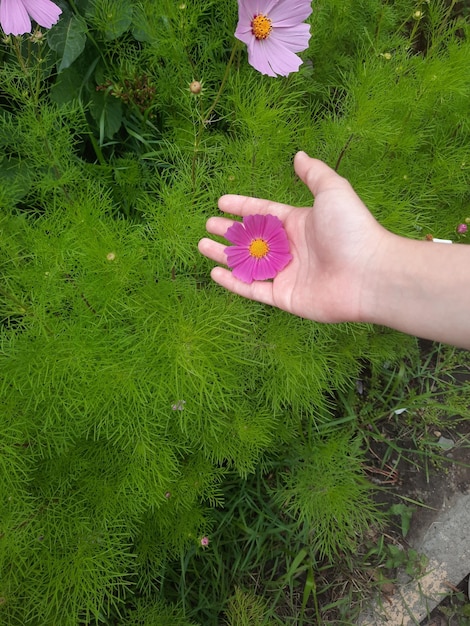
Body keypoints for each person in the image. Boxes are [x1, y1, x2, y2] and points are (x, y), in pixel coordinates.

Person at [198, 151, 470, 350]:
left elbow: (275, 249)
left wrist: (371, 264)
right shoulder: (252, 247)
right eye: (255, 247)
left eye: (259, 245)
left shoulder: (273, 245)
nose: (256, 246)